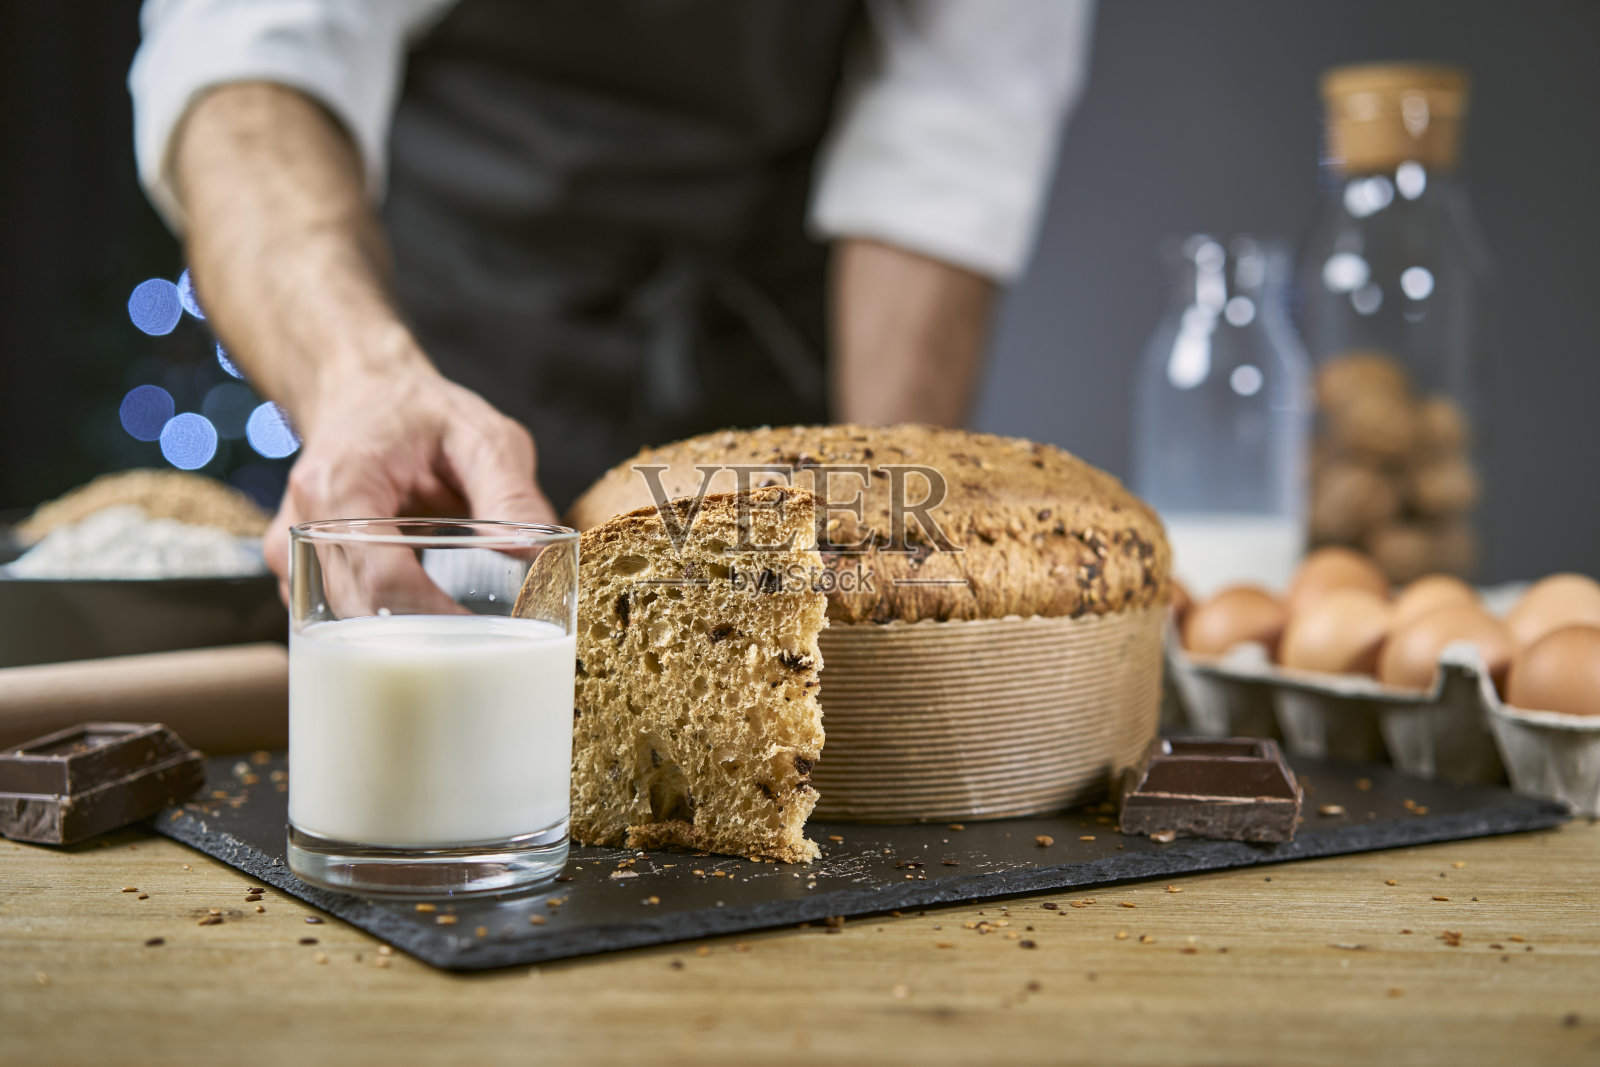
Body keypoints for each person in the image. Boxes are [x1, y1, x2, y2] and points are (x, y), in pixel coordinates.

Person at [129, 0, 1094, 586]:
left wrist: (893, 524)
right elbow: (246, 66)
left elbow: (945, 134)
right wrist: (356, 379)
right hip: (451, 351)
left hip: (760, 337)